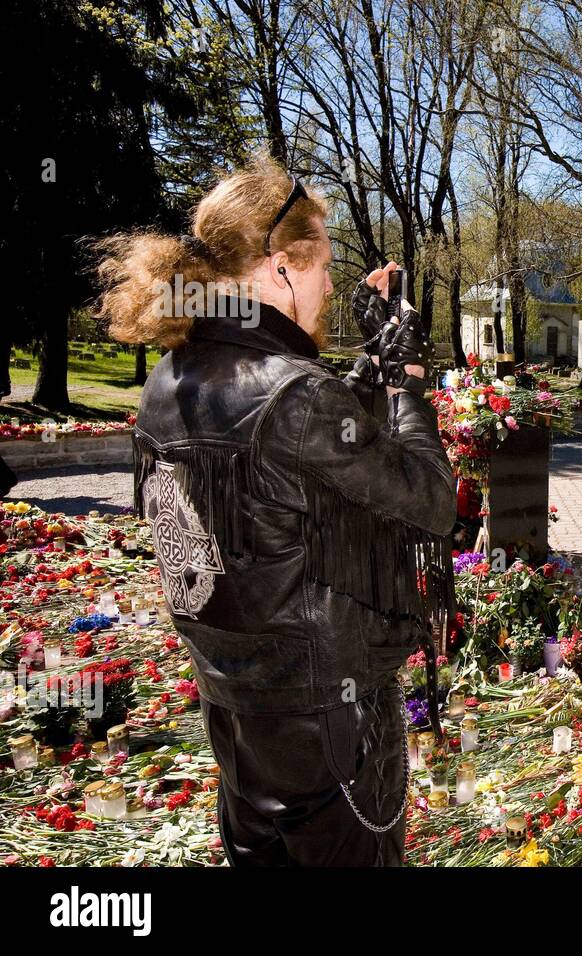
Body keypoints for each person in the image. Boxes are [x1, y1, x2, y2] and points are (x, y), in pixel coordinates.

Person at [94, 159, 456, 866]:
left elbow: (287, 469)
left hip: (237, 721)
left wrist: (366, 371)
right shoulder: (293, 395)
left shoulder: (173, 380)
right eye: (322, 262)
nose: (328, 284)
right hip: (330, 726)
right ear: (280, 267)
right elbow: (432, 502)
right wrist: (407, 380)